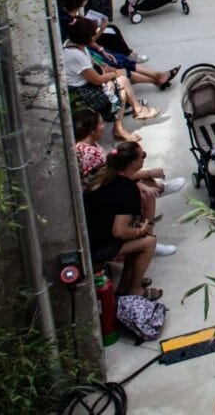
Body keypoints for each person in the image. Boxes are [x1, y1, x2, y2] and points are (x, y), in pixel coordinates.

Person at [82, 144, 164, 299]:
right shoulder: (127, 190)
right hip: (97, 248)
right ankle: (135, 290)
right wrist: (142, 230)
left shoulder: (103, 174)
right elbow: (119, 232)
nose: (144, 158)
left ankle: (126, 285)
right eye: (143, 155)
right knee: (148, 242)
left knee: (135, 238)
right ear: (132, 163)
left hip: (88, 237)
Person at [63, 17, 157, 143]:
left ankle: (134, 113)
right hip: (82, 94)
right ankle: (126, 120)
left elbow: (94, 65)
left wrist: (109, 73)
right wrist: (114, 73)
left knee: (121, 80)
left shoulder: (73, 44)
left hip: (87, 84)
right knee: (122, 84)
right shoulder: (75, 55)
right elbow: (96, 80)